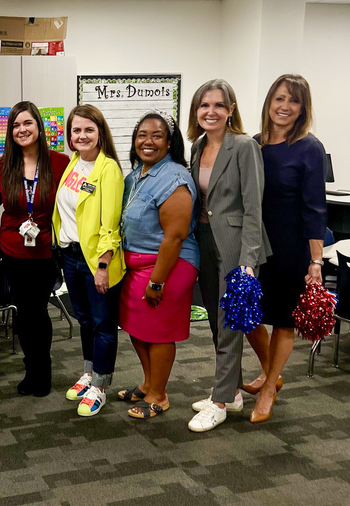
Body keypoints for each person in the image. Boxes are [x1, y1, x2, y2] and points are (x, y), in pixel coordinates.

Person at [185, 79, 270, 433]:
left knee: (230, 321)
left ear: (231, 110)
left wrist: (249, 260)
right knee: (217, 321)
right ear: (196, 111)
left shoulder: (244, 147)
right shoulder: (197, 147)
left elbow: (254, 208)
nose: (211, 112)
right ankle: (232, 391)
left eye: (219, 105)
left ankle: (219, 402)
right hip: (205, 240)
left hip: (237, 246)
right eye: (204, 105)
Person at [243, 75, 326, 423]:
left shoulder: (310, 148)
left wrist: (316, 260)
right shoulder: (254, 144)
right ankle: (271, 372)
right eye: (279, 98)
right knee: (244, 313)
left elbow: (315, 207)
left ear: (303, 108)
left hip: (291, 247)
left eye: (293, 101)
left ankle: (267, 390)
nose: (285, 107)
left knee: (283, 321)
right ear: (269, 102)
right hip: (254, 244)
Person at [117, 110, 199, 419]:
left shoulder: (175, 177)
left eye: (156, 136)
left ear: (170, 142)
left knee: (159, 332)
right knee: (138, 329)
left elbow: (175, 237)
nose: (147, 141)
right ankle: (149, 383)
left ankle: (159, 395)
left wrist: (157, 281)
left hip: (168, 266)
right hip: (137, 265)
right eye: (142, 135)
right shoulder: (136, 174)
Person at [0, 101, 70, 397]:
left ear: (39, 127)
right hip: (13, 249)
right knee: (24, 311)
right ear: (10, 132)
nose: (21, 130)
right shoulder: (1, 166)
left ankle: (41, 372)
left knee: (38, 310)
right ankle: (30, 368)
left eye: (27, 123)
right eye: (16, 125)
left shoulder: (61, 163)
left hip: (47, 250)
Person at [52, 104, 125, 417]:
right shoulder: (73, 163)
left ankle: (100, 385)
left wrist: (104, 266)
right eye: (76, 130)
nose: (82, 135)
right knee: (84, 318)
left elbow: (111, 225)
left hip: (96, 260)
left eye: (88, 130)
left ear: (100, 133)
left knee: (103, 324)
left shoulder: (108, 169)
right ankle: (89, 372)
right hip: (71, 254)